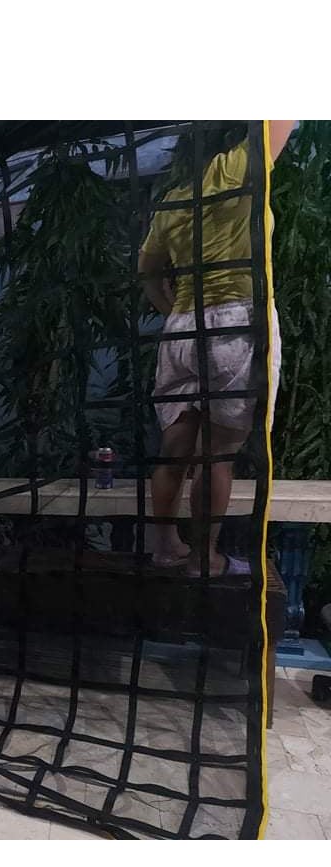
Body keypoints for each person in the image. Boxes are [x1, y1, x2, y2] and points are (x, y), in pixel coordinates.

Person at [138, 121, 295, 576]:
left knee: (175, 446)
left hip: (182, 329)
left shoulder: (173, 201)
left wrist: (172, 310)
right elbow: (282, 116)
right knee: (217, 453)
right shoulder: (235, 169)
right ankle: (204, 559)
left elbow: (147, 269)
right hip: (236, 324)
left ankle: (165, 547)